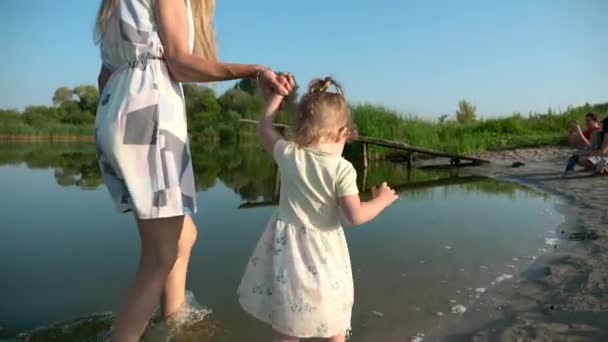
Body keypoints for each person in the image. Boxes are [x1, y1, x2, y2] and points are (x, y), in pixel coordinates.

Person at [93, 0, 294, 340]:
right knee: (160, 254)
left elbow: (104, 75)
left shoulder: (115, 6)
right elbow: (180, 63)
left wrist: (118, 126)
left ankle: (174, 322)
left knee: (183, 236)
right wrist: (254, 71)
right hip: (149, 116)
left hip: (116, 112)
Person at [237, 77, 399, 342]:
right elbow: (355, 216)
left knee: (289, 322)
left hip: (287, 252)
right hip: (324, 255)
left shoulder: (290, 155)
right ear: (343, 132)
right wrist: (381, 200)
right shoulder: (342, 169)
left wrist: (275, 98)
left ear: (302, 127)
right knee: (334, 319)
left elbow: (264, 128)